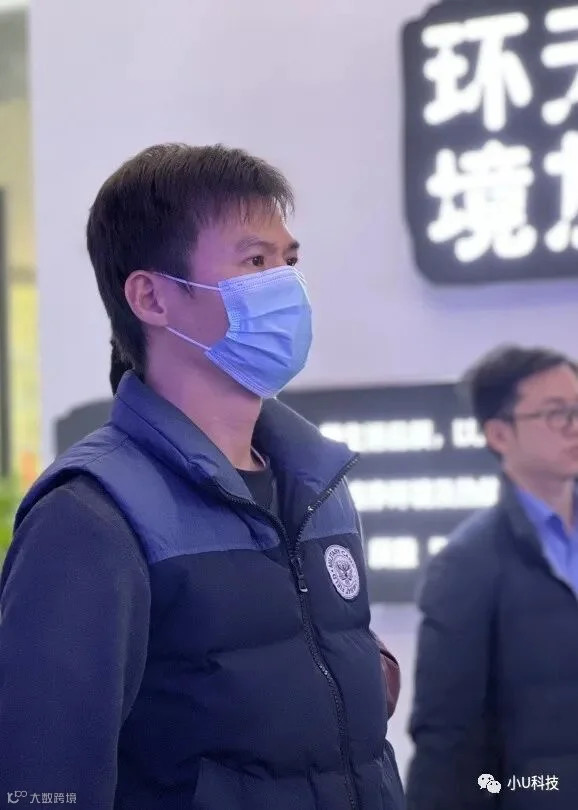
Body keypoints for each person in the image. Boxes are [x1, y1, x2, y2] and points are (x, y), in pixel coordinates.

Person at [0, 143, 404, 810]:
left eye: (289, 260)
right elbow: (45, 773)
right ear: (152, 297)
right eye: (255, 262)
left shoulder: (317, 485)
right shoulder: (92, 516)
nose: (287, 286)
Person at [406, 344, 578, 810]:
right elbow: (448, 745)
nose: (574, 426)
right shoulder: (466, 565)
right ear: (500, 434)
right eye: (556, 413)